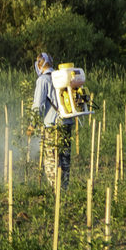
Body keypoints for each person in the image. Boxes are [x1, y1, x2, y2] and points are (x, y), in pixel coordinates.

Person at [31, 52, 74, 190]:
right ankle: (64, 190)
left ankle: (56, 194)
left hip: (52, 125)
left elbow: (38, 105)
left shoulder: (43, 80)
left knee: (51, 161)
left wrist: (32, 124)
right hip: (67, 123)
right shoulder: (60, 77)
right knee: (64, 159)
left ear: (40, 64)